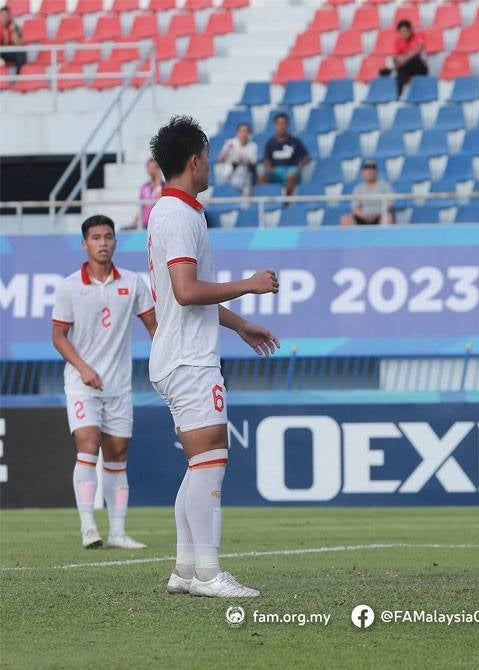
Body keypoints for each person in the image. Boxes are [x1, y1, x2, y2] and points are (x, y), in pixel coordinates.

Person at [148, 115, 280, 598]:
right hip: (189, 358)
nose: (209, 165)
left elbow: (183, 293)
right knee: (211, 462)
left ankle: (186, 569)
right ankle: (208, 573)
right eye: (206, 156)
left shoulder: (172, 211)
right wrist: (249, 284)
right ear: (194, 161)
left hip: (178, 352)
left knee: (200, 463)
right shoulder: (180, 216)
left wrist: (240, 324)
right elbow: (186, 291)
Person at [51, 214, 157, 550]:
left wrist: (165, 359)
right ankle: (88, 527)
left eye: (108, 237)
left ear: (115, 241)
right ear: (85, 244)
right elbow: (58, 336)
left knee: (117, 454)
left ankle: (118, 532)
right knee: (88, 445)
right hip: (81, 384)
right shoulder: (69, 286)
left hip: (119, 385)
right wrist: (83, 368)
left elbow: (153, 326)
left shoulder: (133, 283)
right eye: (96, 237)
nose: (103, 243)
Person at [258, 113, 310, 197]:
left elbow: (307, 157)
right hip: (276, 171)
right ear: (275, 126)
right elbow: (266, 159)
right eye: (279, 124)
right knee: (261, 176)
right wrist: (269, 168)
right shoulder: (270, 142)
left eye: (283, 123)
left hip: (291, 169)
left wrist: (301, 164)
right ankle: (270, 199)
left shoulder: (295, 141)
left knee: (291, 175)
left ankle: (286, 201)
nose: (281, 126)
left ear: (287, 125)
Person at [340, 159, 395, 226]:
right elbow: (354, 207)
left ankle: (384, 233)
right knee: (345, 219)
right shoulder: (358, 188)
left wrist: (377, 214)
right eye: (366, 169)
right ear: (362, 172)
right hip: (362, 218)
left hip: (379, 216)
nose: (369, 171)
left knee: (388, 218)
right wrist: (364, 215)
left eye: (372, 169)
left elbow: (390, 204)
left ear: (376, 171)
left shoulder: (385, 186)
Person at [216, 122, 257, 196]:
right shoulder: (230, 143)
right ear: (237, 133)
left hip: (245, 174)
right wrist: (227, 150)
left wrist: (244, 161)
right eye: (242, 131)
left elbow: (253, 165)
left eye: (246, 131)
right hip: (230, 173)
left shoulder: (253, 146)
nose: (244, 134)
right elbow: (220, 160)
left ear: (249, 133)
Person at [392, 19, 428, 98]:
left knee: (414, 58)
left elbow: (419, 48)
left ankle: (419, 92)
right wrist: (400, 59)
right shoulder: (398, 41)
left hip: (420, 67)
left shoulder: (419, 35)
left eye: (405, 31)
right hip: (406, 67)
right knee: (399, 69)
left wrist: (405, 58)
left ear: (410, 30)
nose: (403, 33)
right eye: (401, 32)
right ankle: (398, 96)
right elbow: (396, 56)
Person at [0, 6, 27, 74]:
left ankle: (17, 78)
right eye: (2, 15)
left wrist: (14, 29)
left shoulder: (14, 27)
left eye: (6, 15)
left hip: (9, 50)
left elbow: (17, 43)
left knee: (21, 54)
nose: (4, 17)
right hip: (1, 51)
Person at [138, 158, 163, 229]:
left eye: (154, 167)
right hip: (145, 223)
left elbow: (159, 199)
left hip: (158, 222)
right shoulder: (144, 187)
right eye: (150, 168)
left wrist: (158, 181)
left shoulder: (164, 186)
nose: (152, 170)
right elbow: (141, 206)